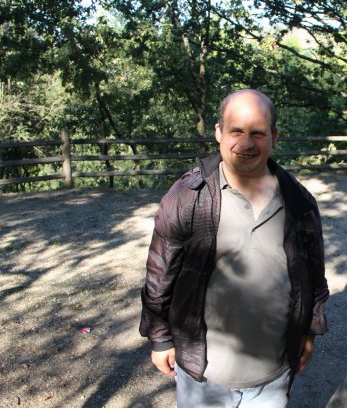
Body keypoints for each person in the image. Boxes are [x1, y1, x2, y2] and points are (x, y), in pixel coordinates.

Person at [139, 89, 329, 407]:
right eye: (236, 131)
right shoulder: (188, 197)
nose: (246, 143)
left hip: (272, 377)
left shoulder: (299, 203)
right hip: (203, 378)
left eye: (258, 133)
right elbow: (160, 271)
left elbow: (314, 275)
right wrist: (160, 338)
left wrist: (309, 331)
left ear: (274, 136)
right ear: (219, 132)